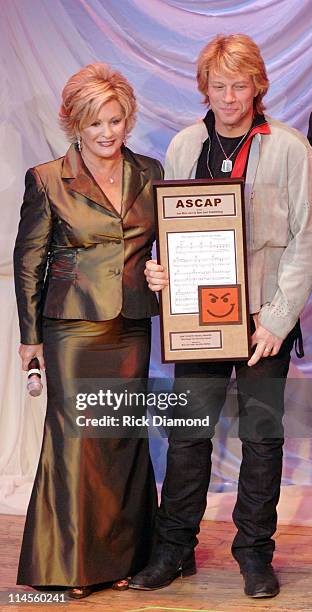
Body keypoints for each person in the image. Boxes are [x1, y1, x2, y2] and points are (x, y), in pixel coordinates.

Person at [130, 34, 312, 598]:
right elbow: (173, 232)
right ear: (203, 87)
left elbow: (306, 241)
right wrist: (161, 274)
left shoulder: (290, 150)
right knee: (187, 438)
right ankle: (174, 550)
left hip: (263, 322)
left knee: (261, 439)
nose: (229, 97)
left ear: (258, 85)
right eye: (218, 85)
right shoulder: (186, 146)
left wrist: (277, 322)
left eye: (239, 85)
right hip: (199, 322)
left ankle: (255, 554)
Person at [14, 62, 163, 599]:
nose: (107, 132)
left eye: (116, 120)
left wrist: (162, 271)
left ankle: (128, 556)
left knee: (119, 438)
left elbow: (162, 244)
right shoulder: (47, 178)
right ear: (74, 123)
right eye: (95, 122)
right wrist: (31, 337)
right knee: (77, 439)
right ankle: (71, 565)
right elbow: (29, 261)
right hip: (72, 328)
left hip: (130, 325)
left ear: (129, 119)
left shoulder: (151, 170)